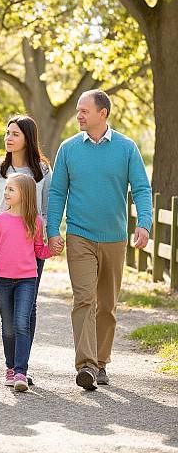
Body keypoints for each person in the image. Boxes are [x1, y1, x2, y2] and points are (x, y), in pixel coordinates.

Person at [47, 89, 152, 390]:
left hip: (115, 238)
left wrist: (143, 224)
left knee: (107, 305)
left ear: (102, 113)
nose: (78, 115)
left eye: (84, 111)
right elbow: (57, 193)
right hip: (79, 235)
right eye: (78, 110)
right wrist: (54, 230)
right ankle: (87, 365)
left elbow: (142, 189)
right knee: (84, 300)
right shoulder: (68, 149)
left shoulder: (126, 148)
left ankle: (102, 363)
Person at [0, 115, 52, 385]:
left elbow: (46, 208)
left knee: (27, 308)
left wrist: (42, 235)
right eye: (7, 133)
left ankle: (21, 367)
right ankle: (13, 365)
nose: (8, 138)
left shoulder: (43, 171)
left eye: (15, 133)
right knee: (11, 318)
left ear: (28, 138)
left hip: (31, 245)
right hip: (5, 246)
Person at [0, 173, 56, 392]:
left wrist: (52, 251)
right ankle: (10, 368)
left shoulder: (35, 222)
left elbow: (39, 250)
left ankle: (21, 371)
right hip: (2, 279)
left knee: (21, 323)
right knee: (8, 327)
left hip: (27, 279)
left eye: (11, 189)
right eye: (6, 188)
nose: (6, 193)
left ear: (25, 195)